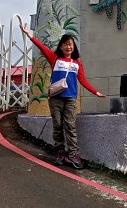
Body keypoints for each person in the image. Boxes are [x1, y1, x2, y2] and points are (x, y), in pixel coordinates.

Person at [19, 21, 105, 169]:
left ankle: (73, 155)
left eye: (70, 44)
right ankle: (60, 152)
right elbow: (42, 47)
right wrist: (29, 34)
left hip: (70, 99)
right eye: (65, 44)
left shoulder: (77, 63)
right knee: (57, 126)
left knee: (70, 126)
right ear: (61, 46)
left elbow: (83, 80)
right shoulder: (55, 59)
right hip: (56, 98)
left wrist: (95, 92)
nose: (68, 46)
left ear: (74, 47)